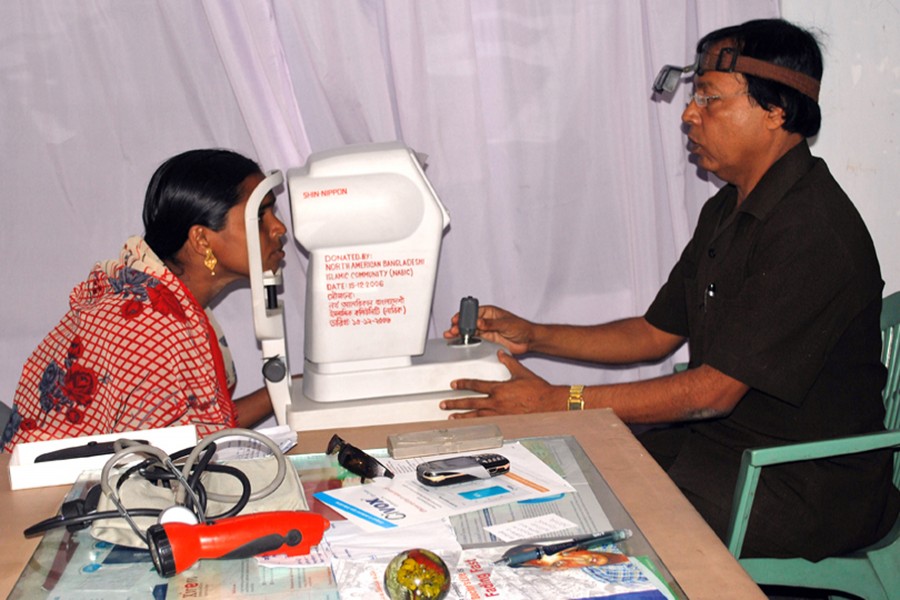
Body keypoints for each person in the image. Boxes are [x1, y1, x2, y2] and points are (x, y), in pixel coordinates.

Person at [440, 19, 900, 561]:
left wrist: (557, 402)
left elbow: (710, 393)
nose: (689, 115)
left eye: (709, 98)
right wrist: (534, 335)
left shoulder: (812, 230)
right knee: (554, 475)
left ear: (776, 111)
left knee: (576, 520)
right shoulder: (728, 208)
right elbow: (653, 334)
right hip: (720, 451)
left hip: (800, 484)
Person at [2, 149, 287, 451]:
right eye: (260, 216)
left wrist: (288, 389)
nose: (278, 228)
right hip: (56, 481)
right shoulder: (149, 328)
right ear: (202, 240)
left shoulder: (170, 304)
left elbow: (200, 428)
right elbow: (157, 463)